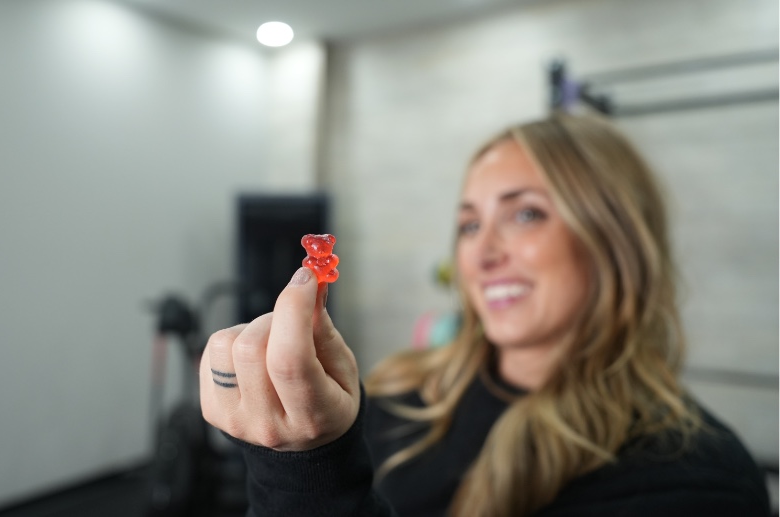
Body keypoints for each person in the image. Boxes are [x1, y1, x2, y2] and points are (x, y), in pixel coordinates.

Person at [199, 113, 771, 516]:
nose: (483, 253)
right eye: (470, 225)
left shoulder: (693, 476)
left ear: (614, 241)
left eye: (525, 216)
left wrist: (306, 476)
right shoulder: (399, 394)